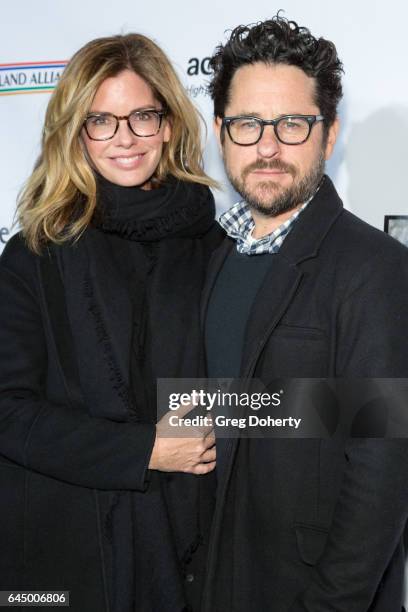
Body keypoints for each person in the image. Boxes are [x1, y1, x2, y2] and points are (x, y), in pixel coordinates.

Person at [0, 33, 221, 612]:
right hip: (65, 556)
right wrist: (144, 448)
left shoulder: (213, 246)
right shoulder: (36, 254)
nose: (124, 138)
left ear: (168, 124)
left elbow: (243, 384)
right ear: (76, 132)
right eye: (101, 120)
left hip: (195, 543)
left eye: (141, 117)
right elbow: (7, 411)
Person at [201, 15, 408, 612]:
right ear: (221, 132)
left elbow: (384, 466)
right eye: (247, 124)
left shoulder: (374, 268)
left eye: (291, 123)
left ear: (328, 131)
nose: (267, 146)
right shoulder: (206, 259)